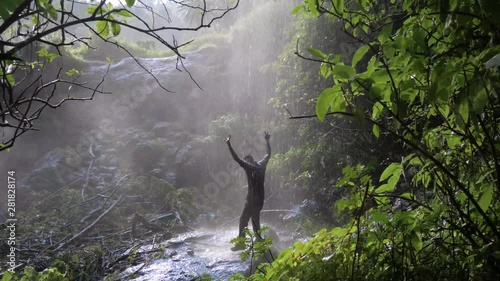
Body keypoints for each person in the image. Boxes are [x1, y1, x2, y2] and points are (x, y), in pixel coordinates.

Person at [224, 132, 271, 250]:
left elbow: (236, 159)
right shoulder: (261, 165)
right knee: (255, 220)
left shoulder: (248, 167)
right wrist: (267, 141)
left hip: (251, 200)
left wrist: (229, 144)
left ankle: (241, 243)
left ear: (247, 162)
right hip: (260, 199)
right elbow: (268, 154)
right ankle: (259, 241)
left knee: (243, 220)